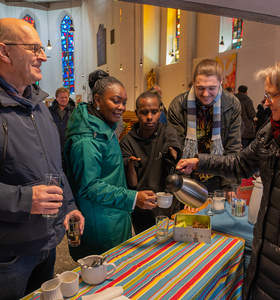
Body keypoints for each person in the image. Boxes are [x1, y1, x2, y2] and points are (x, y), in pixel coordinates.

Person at [0, 18, 84, 300]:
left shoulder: (37, 104)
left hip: (47, 244)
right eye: (34, 48)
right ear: (4, 52)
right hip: (5, 255)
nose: (43, 56)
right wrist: (25, 200)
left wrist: (70, 205)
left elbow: (55, 168)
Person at [176, 62, 280, 300]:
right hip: (266, 244)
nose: (264, 103)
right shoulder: (269, 133)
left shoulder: (234, 107)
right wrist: (198, 161)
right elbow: (239, 163)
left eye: (271, 95)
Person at [64, 69, 157, 260]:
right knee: (104, 276)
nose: (122, 107)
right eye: (116, 101)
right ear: (97, 100)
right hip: (99, 223)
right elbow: (89, 186)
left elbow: (105, 167)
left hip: (114, 214)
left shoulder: (103, 126)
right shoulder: (87, 139)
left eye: (124, 102)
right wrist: (132, 198)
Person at [167, 59, 242, 194]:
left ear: (221, 82)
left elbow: (232, 148)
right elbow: (178, 148)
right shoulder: (177, 105)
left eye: (211, 88)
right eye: (200, 88)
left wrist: (229, 186)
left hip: (218, 175)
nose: (205, 94)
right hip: (188, 176)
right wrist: (186, 188)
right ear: (193, 83)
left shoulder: (232, 104)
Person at [120, 91, 183, 234]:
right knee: (147, 246)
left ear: (160, 111)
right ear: (137, 113)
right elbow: (133, 183)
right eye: (144, 112)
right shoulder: (127, 141)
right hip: (143, 206)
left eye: (154, 112)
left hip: (168, 202)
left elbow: (173, 147)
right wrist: (130, 163)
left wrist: (172, 151)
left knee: (172, 246)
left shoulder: (167, 132)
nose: (149, 117)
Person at [49, 87, 75, 172]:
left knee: (69, 171)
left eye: (66, 97)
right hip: (54, 147)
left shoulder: (74, 111)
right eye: (61, 97)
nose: (64, 99)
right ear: (56, 98)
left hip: (69, 147)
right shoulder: (49, 111)